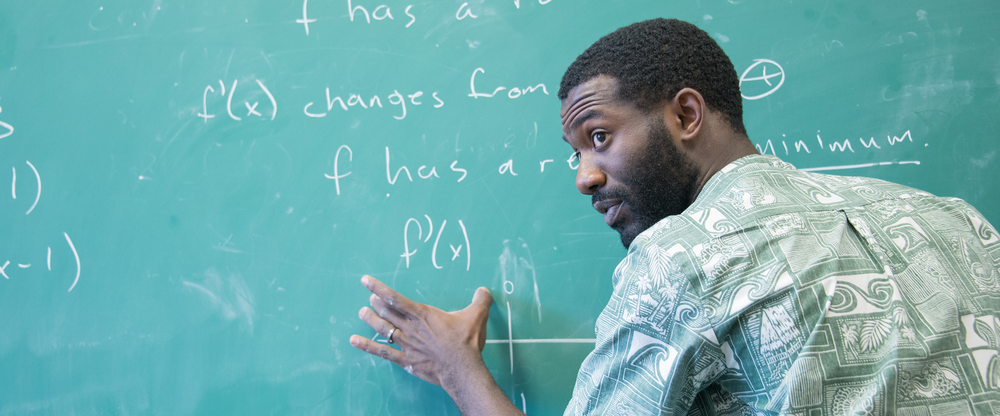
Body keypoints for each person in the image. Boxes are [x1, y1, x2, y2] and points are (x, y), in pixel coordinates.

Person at [350, 18, 1000, 415]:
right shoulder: (955, 220)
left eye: (599, 137)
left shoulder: (682, 261)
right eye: (575, 153)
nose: (583, 176)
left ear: (686, 114)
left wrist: (458, 370)